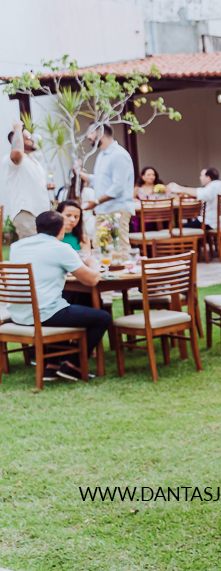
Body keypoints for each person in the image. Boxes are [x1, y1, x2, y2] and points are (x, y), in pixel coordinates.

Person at [7, 211, 109, 382]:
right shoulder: (61, 248)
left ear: (36, 228)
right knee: (102, 318)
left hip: (19, 313)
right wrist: (92, 262)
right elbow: (91, 280)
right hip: (44, 313)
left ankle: (52, 364)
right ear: (62, 230)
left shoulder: (17, 246)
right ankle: (73, 366)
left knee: (65, 306)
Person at [76, 124, 135, 264]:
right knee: (100, 248)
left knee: (119, 247)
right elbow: (100, 181)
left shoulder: (119, 155)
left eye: (91, 133)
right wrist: (79, 172)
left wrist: (96, 202)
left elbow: (118, 187)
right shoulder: (102, 155)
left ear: (101, 132)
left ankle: (125, 283)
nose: (88, 137)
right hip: (102, 209)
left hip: (117, 209)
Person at [7, 121, 53, 240]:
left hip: (41, 213)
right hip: (26, 212)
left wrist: (45, 186)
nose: (32, 139)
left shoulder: (33, 160)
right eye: (28, 137)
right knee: (33, 250)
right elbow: (17, 152)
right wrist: (17, 128)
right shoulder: (13, 159)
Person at [166, 167, 221, 231]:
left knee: (181, 228)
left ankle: (194, 244)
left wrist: (179, 188)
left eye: (201, 176)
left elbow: (201, 194)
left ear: (208, 177)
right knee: (190, 224)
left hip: (214, 222)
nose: (200, 178)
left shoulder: (213, 186)